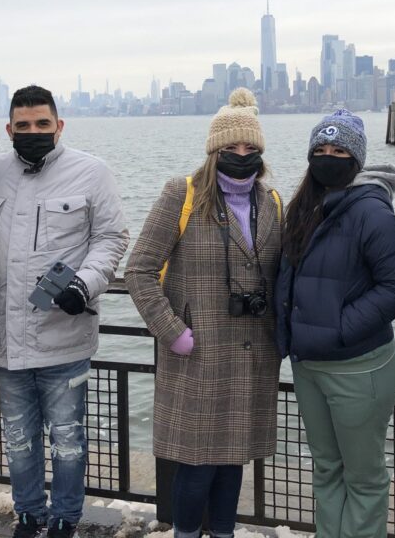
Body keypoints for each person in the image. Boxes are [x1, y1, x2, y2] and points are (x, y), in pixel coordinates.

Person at [126, 89, 282, 538]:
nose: (241, 155)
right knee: (196, 466)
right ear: (214, 150)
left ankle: (225, 534)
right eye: (231, 147)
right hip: (197, 355)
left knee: (233, 463)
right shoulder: (183, 194)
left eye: (250, 147)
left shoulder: (271, 201)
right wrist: (172, 331)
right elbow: (139, 270)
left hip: (252, 356)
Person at [0, 85, 129, 538]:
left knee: (68, 441)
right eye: (23, 125)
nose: (33, 131)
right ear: (9, 130)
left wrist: (85, 283)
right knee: (18, 441)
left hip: (65, 339)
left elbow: (112, 237)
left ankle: (65, 519)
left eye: (42, 123)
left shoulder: (93, 172)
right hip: (5, 343)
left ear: (59, 125)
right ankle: (28, 515)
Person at [276, 109, 395, 538]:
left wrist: (339, 328)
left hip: (359, 367)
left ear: (356, 159)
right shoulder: (306, 207)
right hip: (308, 365)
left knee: (364, 477)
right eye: (320, 149)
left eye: (339, 151)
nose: (328, 157)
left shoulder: (371, 210)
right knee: (326, 469)